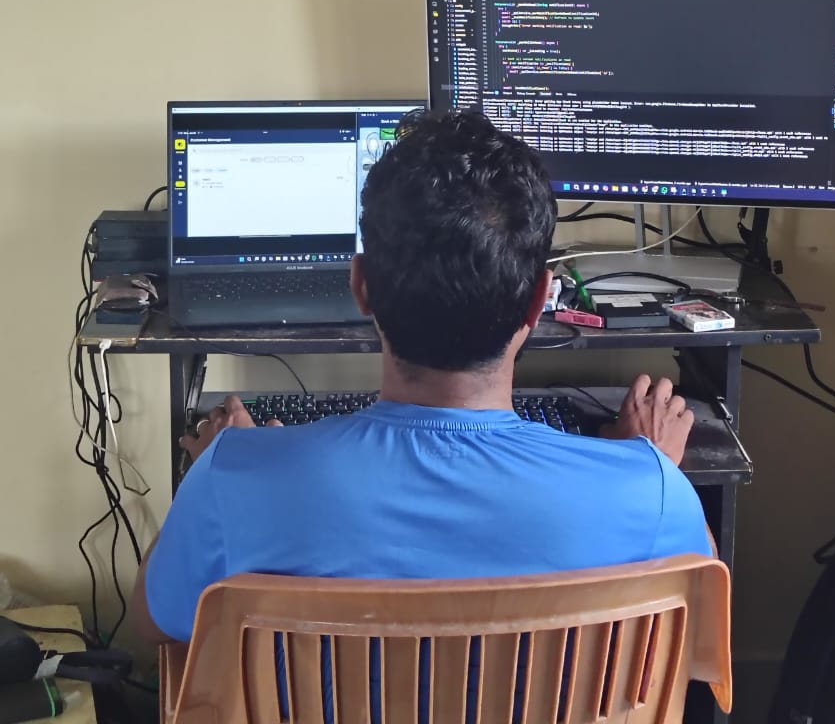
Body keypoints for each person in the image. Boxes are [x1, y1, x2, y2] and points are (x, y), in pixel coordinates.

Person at [132, 110, 711, 646]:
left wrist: (219, 471)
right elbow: (694, 642)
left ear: (361, 286)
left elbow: (153, 628)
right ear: (539, 301)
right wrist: (651, 468)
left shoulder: (232, 476)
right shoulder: (648, 491)